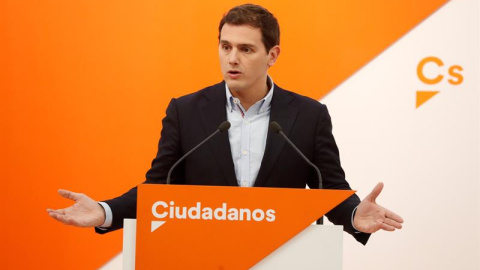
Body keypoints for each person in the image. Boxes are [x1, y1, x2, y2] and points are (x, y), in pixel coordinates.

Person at [47, 4, 403, 245]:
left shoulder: (308, 116)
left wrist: (355, 214)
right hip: (203, 257)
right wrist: (105, 211)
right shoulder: (186, 111)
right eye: (225, 46)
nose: (232, 59)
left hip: (283, 257)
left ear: (272, 55)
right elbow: (159, 189)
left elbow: (328, 188)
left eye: (246, 49)